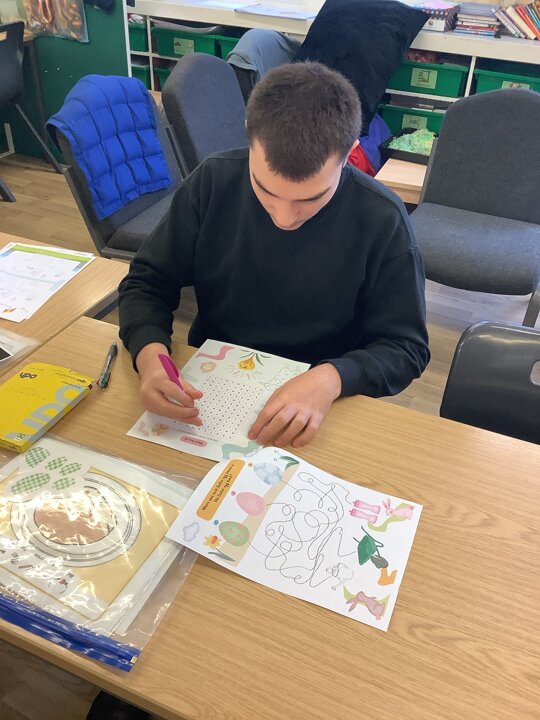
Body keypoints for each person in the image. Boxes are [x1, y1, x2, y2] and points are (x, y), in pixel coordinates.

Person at [118, 62, 430, 449]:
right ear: (249, 135)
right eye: (265, 191)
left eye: (310, 199)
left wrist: (332, 378)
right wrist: (150, 357)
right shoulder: (213, 182)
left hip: (323, 400)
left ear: (350, 154)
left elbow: (405, 347)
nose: (284, 218)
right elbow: (147, 282)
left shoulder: (382, 218)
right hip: (213, 385)